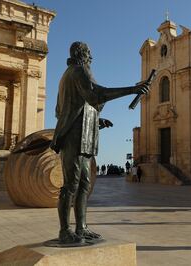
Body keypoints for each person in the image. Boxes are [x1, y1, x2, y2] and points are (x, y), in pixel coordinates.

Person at [50, 41, 150, 244]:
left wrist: (96, 121)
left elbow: (81, 105)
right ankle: (64, 230)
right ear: (82, 54)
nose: (91, 58)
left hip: (85, 137)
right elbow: (94, 94)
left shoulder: (75, 73)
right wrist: (132, 89)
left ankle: (81, 227)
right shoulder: (77, 71)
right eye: (89, 54)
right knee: (71, 185)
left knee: (85, 183)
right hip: (74, 137)